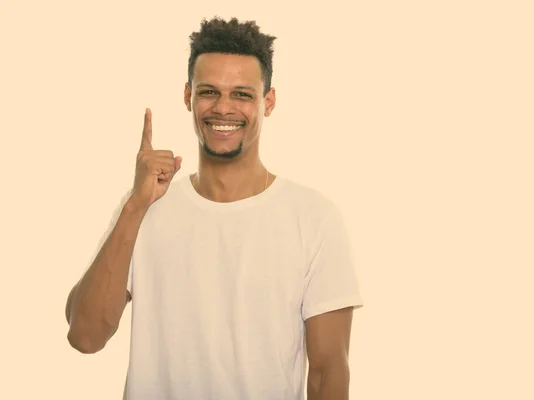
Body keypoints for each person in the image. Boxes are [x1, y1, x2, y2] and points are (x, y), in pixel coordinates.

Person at [65, 16, 363, 400]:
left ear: (267, 102)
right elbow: (85, 336)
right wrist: (134, 208)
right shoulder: (143, 206)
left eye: (242, 94)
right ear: (188, 96)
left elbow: (327, 373)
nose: (224, 108)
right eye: (209, 92)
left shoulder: (313, 218)